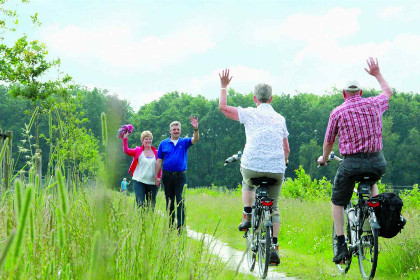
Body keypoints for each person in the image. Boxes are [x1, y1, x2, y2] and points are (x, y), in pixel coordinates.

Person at [317, 57, 392, 264]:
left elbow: (329, 142)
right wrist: (377, 73)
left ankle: (341, 245)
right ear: (360, 92)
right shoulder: (374, 104)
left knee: (338, 201)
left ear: (344, 94)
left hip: (351, 164)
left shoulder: (338, 112)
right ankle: (372, 216)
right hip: (377, 162)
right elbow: (388, 93)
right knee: (373, 180)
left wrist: (323, 159)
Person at [218, 69, 290, 265]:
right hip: (276, 169)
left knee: (247, 182)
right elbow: (286, 150)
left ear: (255, 99)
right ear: (271, 98)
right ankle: (274, 247)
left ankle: (247, 214)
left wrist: (224, 85)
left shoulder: (249, 114)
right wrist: (283, 163)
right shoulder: (280, 118)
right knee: (273, 207)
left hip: (252, 167)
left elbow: (223, 107)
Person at [155, 117, 199, 233]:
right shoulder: (163, 144)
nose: (176, 131)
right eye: (174, 129)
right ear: (170, 131)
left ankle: (180, 227)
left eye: (178, 129)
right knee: (169, 201)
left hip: (180, 176)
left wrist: (196, 129)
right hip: (167, 176)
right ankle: (170, 225)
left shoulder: (184, 142)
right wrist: (156, 177)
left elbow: (195, 139)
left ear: (180, 131)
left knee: (180, 201)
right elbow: (159, 161)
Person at [122, 130, 161, 210]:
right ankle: (141, 221)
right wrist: (125, 138)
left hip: (152, 183)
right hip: (139, 182)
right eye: (146, 139)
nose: (148, 140)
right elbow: (126, 151)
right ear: (142, 140)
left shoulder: (157, 153)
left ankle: (149, 222)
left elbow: (159, 166)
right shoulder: (138, 151)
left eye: (150, 139)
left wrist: (158, 178)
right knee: (140, 205)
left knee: (151, 206)